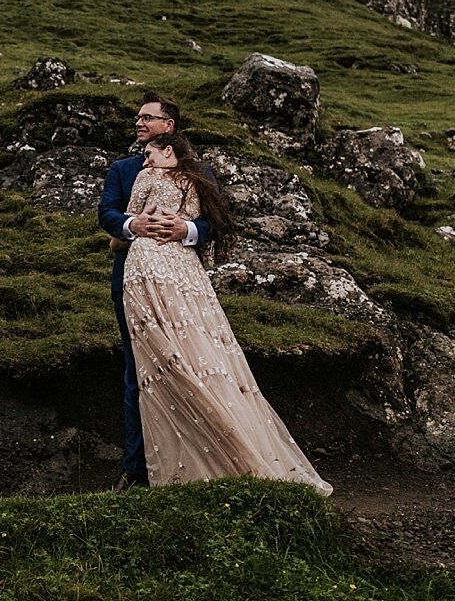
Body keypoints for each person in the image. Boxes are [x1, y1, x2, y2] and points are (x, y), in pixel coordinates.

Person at [122, 131, 332, 494]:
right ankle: (237, 446)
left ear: (168, 148)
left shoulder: (148, 177)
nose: (144, 159)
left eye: (148, 152)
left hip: (150, 265)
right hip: (187, 273)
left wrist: (132, 229)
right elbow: (217, 225)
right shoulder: (196, 180)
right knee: (204, 354)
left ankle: (184, 467)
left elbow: (126, 221)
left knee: (162, 361)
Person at [98, 91, 212, 490]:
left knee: (192, 362)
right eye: (137, 118)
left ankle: (199, 455)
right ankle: (138, 469)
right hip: (133, 280)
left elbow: (217, 222)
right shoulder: (123, 169)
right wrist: (132, 227)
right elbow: (107, 212)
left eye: (148, 117)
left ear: (169, 127)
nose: (139, 123)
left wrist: (188, 231)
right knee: (138, 368)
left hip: (181, 282)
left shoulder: (199, 172)